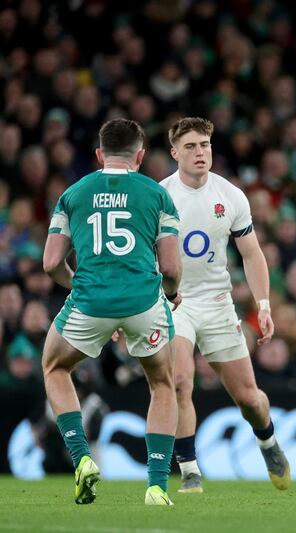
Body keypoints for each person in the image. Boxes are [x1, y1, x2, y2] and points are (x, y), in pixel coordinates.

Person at [42, 119, 182, 505]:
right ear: (140, 155)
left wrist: (82, 287)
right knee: (162, 385)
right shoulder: (157, 195)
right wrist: (171, 293)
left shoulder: (73, 193)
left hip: (90, 301)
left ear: (100, 155)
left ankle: (82, 458)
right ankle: (156, 486)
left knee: (55, 368)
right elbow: (169, 269)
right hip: (143, 302)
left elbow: (51, 262)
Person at [160, 117, 289, 494]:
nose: (200, 152)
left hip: (218, 303)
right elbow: (140, 256)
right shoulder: (159, 196)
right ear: (174, 153)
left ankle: (267, 441)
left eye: (205, 145)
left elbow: (252, 254)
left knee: (249, 399)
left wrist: (263, 304)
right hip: (173, 301)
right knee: (181, 382)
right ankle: (189, 471)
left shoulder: (231, 195)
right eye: (191, 146)